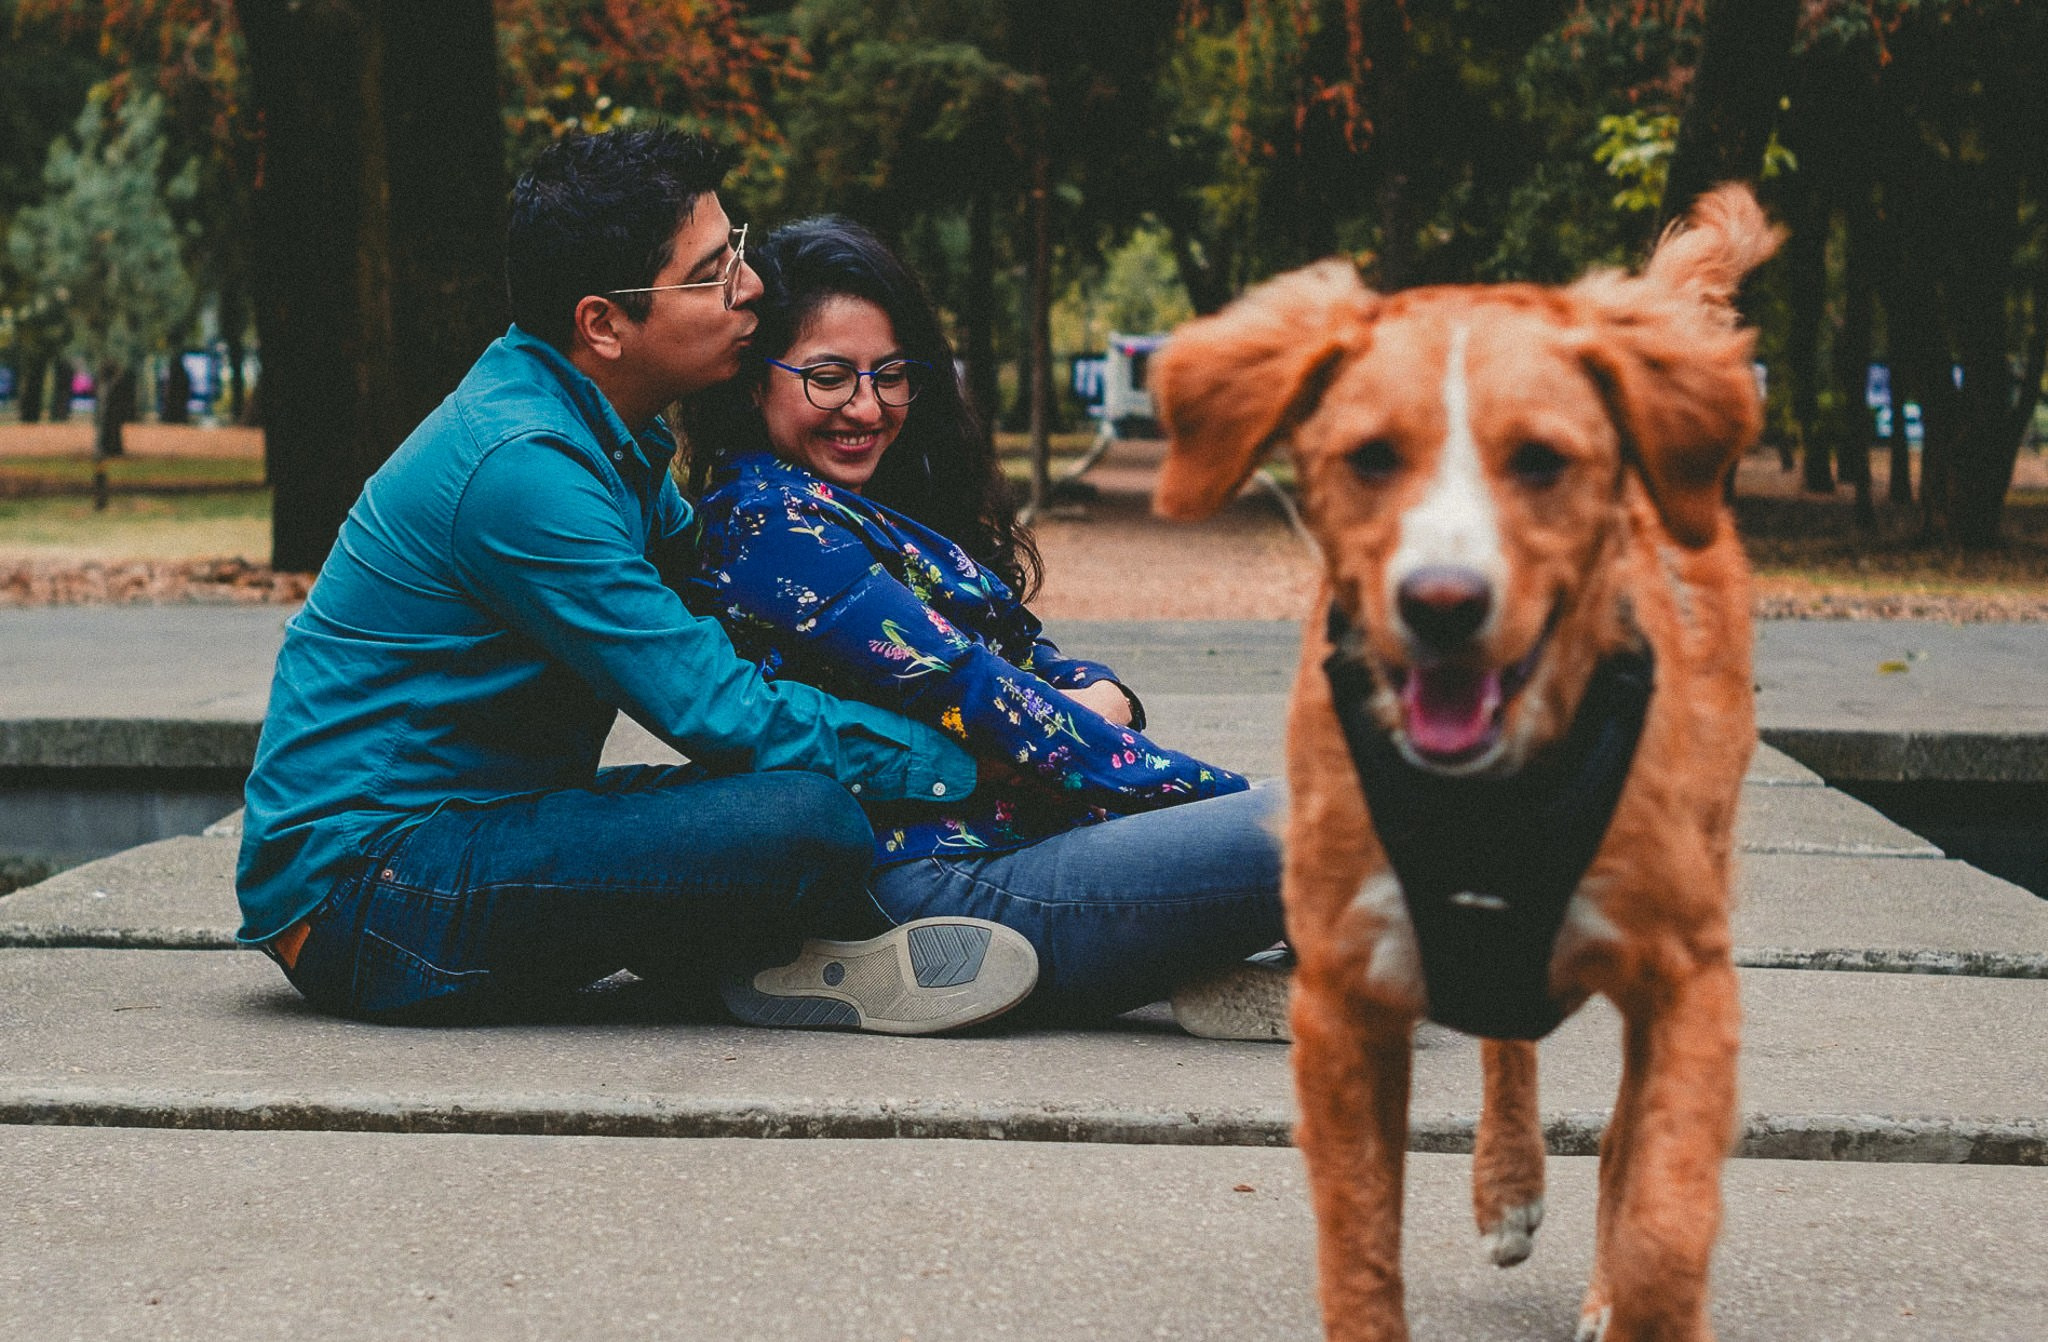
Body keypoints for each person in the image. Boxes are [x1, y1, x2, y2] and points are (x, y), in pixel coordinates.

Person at [233, 129, 1040, 1035]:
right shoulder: (524, 470)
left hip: (477, 831)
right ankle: (770, 957)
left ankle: (759, 968)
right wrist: (967, 761)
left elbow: (732, 614)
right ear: (603, 324)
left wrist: (1024, 691)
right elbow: (718, 706)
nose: (752, 287)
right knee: (801, 818)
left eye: (735, 249)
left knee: (759, 807)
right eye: (711, 274)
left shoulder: (609, 435)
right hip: (369, 900)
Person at [680, 216, 1288, 1031]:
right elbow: (977, 691)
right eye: (829, 376)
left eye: (891, 374)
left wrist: (1107, 699)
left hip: (1027, 840)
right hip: (934, 890)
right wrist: (1212, 792)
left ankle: (1232, 957)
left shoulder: (866, 505)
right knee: (1334, 828)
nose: (868, 406)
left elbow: (1029, 655)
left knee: (1342, 829)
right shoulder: (771, 527)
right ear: (755, 383)